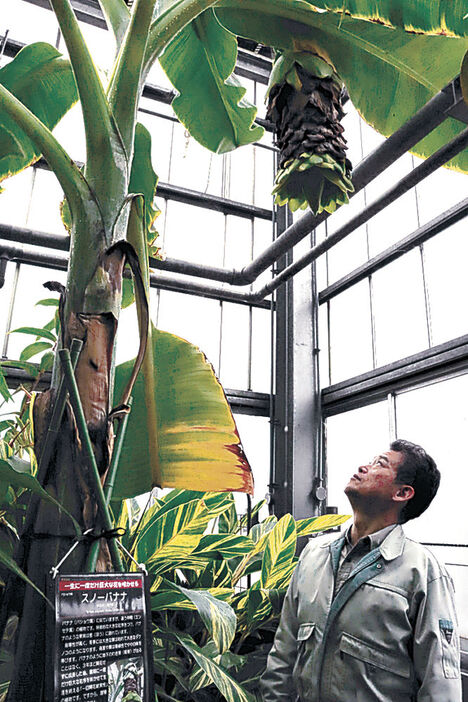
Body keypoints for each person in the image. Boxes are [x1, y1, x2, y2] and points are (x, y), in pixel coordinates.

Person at [260, 439, 461, 702]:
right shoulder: (314, 554)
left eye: (380, 464)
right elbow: (283, 654)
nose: (363, 467)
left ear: (402, 493)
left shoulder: (423, 573)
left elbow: (440, 686)